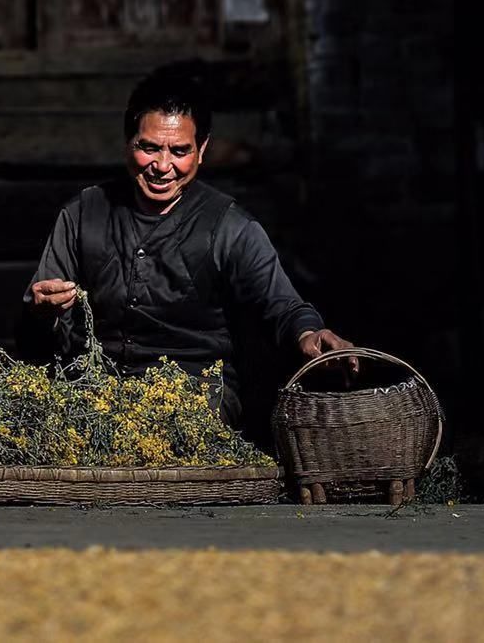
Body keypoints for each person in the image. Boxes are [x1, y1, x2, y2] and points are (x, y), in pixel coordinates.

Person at [24, 63, 353, 427]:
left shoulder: (231, 227)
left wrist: (309, 332)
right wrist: (44, 312)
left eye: (179, 151)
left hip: (195, 397)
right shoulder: (83, 214)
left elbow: (281, 304)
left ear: (201, 149)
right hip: (94, 391)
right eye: (148, 148)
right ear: (127, 142)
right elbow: (34, 326)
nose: (163, 166)